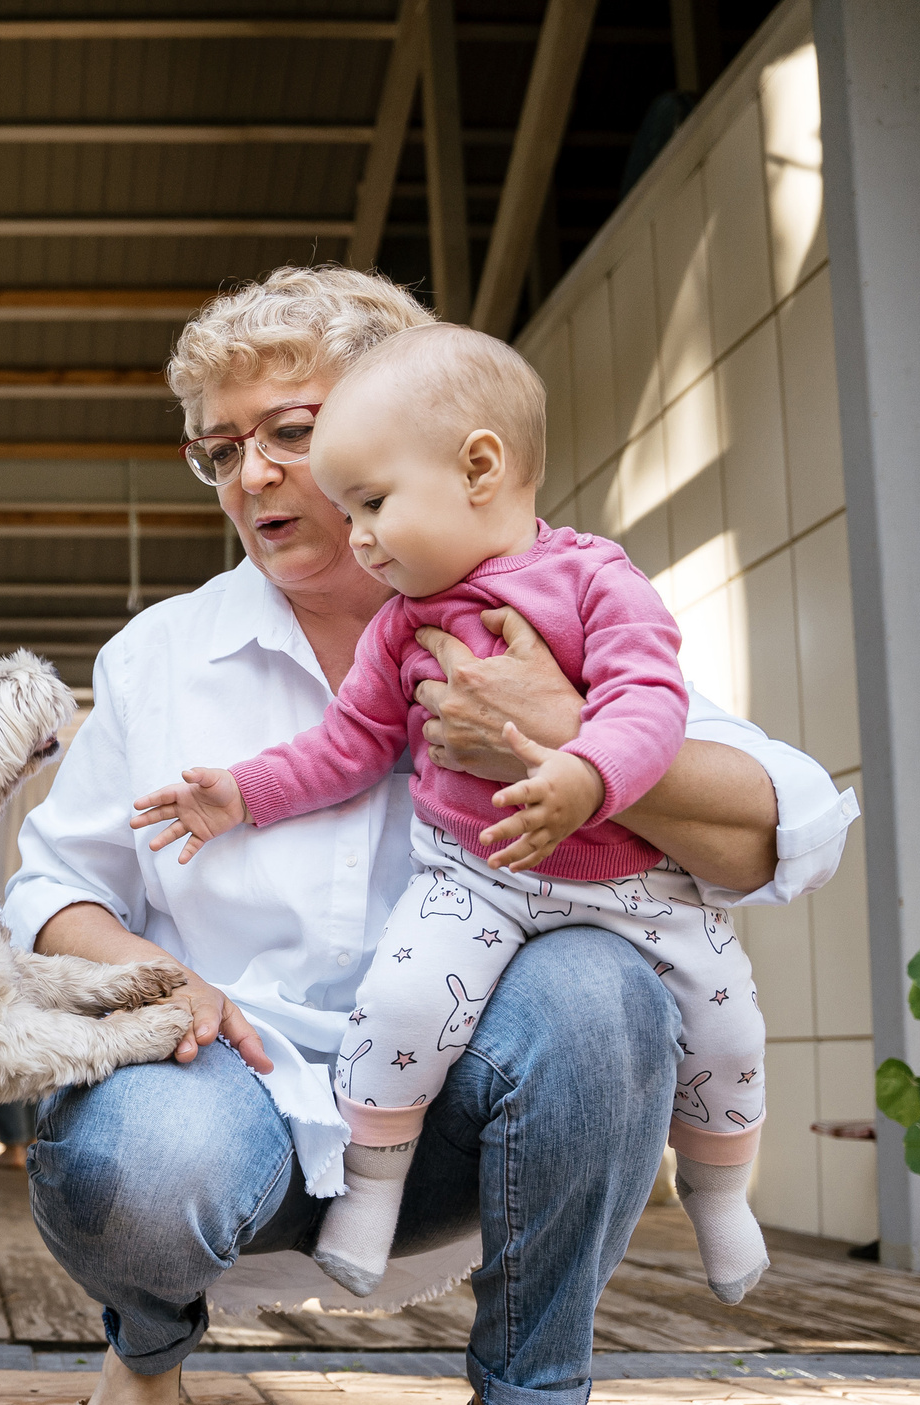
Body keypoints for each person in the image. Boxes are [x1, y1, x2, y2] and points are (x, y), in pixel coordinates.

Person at [3, 265, 857, 1405]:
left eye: (290, 434)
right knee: (133, 1143)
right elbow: (53, 889)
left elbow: (788, 826)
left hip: (466, 1115)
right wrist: (149, 974)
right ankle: (147, 1345)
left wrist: (572, 735)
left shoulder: (559, 607)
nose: (251, 480)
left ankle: (529, 1402)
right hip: (232, 1088)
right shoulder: (164, 654)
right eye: (219, 452)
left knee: (604, 985)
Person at [129, 323, 770, 1308]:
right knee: (400, 1009)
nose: (362, 536)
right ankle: (370, 1198)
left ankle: (719, 1195)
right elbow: (346, 749)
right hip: (474, 881)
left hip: (633, 889)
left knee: (723, 1036)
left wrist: (583, 769)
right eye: (351, 512)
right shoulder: (401, 626)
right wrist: (241, 793)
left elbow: (653, 703)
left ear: (478, 466)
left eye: (373, 505)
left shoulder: (595, 581)